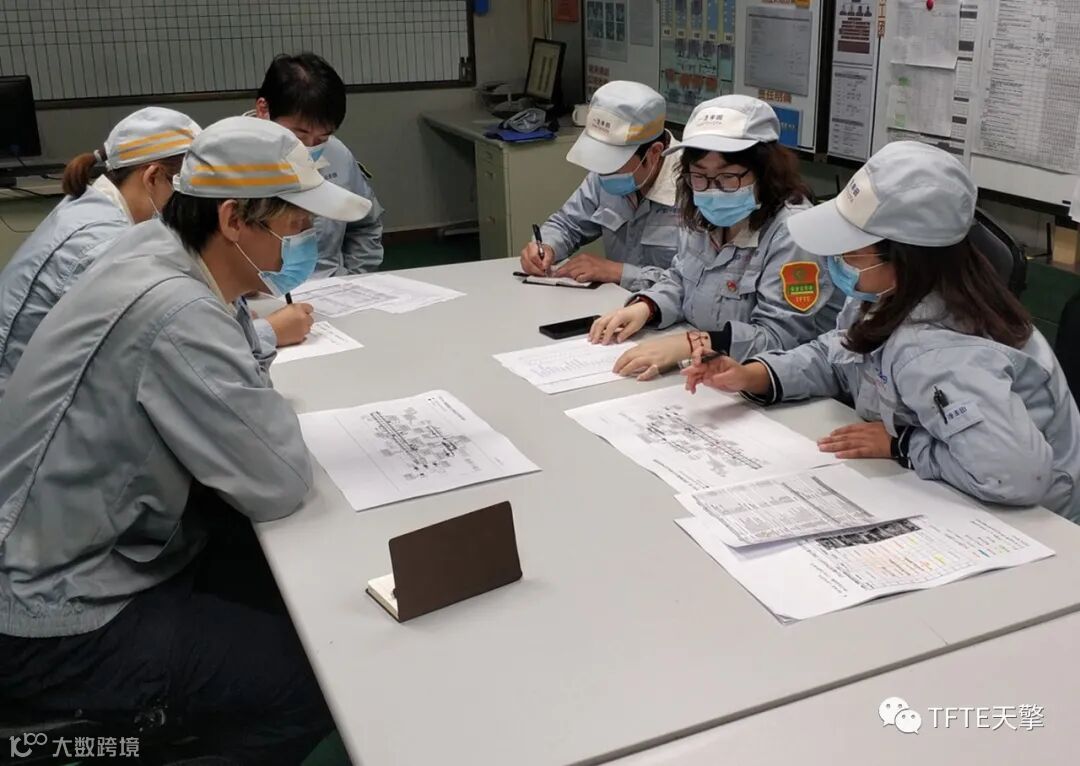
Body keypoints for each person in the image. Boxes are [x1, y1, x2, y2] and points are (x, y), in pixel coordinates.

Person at [0, 116, 373, 763]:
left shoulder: (153, 248)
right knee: (314, 679)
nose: (300, 243)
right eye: (293, 225)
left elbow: (242, 374)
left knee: (271, 580)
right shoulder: (177, 309)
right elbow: (279, 482)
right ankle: (131, 738)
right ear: (232, 220)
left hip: (58, 547)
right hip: (52, 611)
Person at [683, 141, 1080, 523]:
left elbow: (1015, 476)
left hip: (1035, 524)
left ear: (904, 258)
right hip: (948, 492)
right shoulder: (888, 295)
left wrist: (901, 444)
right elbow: (841, 353)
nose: (836, 261)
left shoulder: (941, 352)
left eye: (851, 252)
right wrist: (755, 375)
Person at [590, 95, 842, 380]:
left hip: (768, 384)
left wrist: (693, 344)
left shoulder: (794, 233)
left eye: (727, 178)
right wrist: (647, 307)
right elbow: (681, 279)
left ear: (765, 173)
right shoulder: (701, 212)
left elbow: (782, 337)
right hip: (708, 372)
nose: (712, 191)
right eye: (699, 176)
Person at [519, 80, 681, 291]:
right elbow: (567, 223)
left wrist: (619, 273)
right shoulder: (604, 174)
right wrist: (547, 247)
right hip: (614, 303)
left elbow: (698, 284)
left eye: (614, 162)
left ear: (654, 153)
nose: (604, 172)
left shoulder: (697, 186)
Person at [252, 52, 384, 280]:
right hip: (257, 294)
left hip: (331, 288)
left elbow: (365, 224)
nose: (310, 147)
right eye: (299, 136)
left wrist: (353, 278)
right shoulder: (223, 160)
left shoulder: (337, 154)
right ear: (264, 110)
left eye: (322, 138)